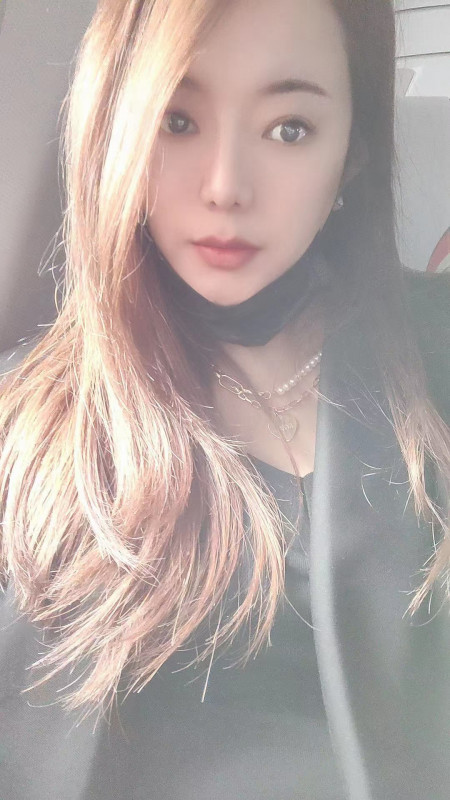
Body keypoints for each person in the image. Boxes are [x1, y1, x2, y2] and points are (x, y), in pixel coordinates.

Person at [0, 0, 449, 798]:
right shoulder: (26, 420)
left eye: (289, 129)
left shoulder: (435, 351)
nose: (225, 187)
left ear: (352, 153)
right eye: (177, 121)